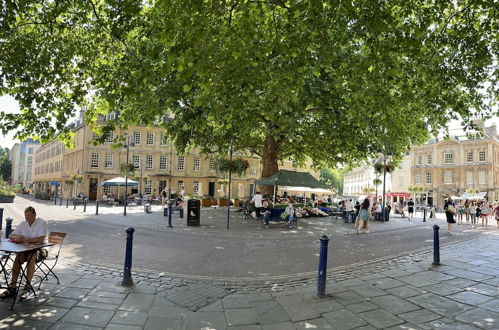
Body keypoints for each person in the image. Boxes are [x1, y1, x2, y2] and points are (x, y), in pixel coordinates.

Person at [0, 206, 48, 301]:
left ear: (34, 215)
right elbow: (10, 235)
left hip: (39, 250)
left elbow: (41, 239)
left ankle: (27, 288)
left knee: (31, 258)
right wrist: (15, 237)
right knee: (17, 258)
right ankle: (13, 286)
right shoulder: (23, 224)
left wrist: (25, 238)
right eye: (26, 216)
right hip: (24, 250)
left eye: (30, 215)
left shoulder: (41, 223)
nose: (28, 218)